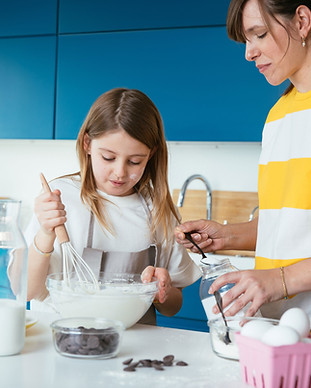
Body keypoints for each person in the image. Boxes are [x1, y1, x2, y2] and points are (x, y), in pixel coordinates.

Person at [175, 0, 311, 321]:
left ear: (302, 21)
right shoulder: (279, 115)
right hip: (279, 328)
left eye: (259, 34)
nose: (249, 53)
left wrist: (281, 280)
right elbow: (286, 224)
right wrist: (227, 236)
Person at [25, 87, 201, 324]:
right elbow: (28, 291)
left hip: (135, 350)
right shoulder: (60, 199)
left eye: (134, 161)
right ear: (87, 143)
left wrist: (163, 291)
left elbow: (172, 307)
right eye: (108, 157)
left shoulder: (159, 211)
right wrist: (45, 234)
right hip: (63, 339)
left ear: (151, 155)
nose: (120, 172)